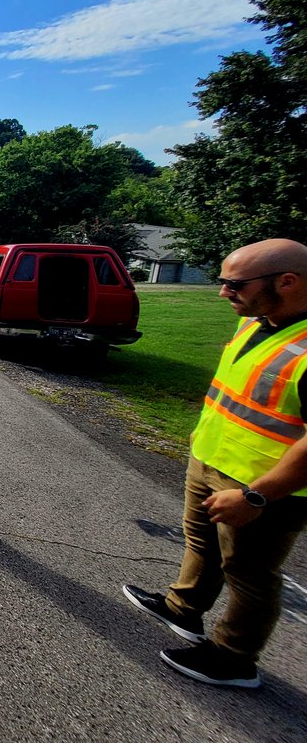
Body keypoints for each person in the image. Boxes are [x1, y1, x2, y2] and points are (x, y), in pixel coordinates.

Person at [123, 238, 307, 689]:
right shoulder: (258, 321)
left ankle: (234, 657)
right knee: (200, 543)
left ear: (286, 282)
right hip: (211, 459)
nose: (223, 292)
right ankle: (183, 609)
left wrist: (257, 495)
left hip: (265, 485)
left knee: (249, 573)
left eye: (234, 284)